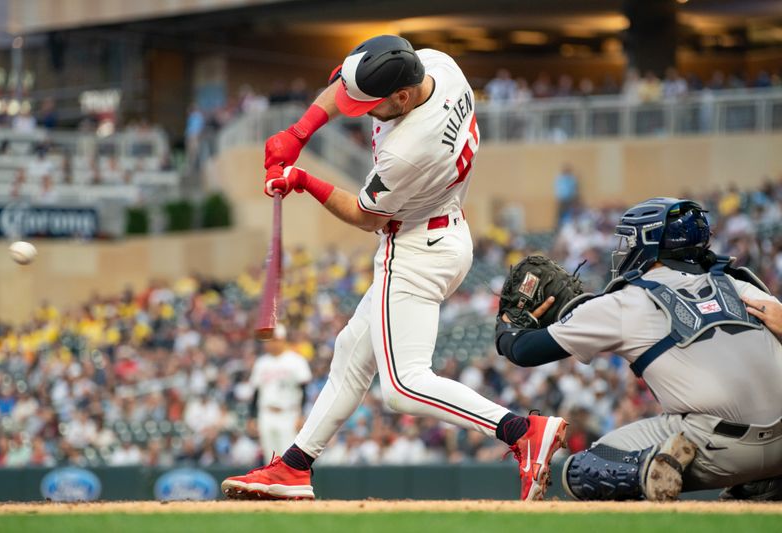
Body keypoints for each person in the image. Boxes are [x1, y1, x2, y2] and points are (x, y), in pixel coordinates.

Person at [221, 34, 568, 502]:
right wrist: (298, 132)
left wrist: (301, 179)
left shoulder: (409, 149)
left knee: (403, 386)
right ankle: (295, 466)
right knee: (350, 353)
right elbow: (344, 83)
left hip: (414, 247)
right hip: (445, 231)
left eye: (372, 105)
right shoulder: (437, 65)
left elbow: (368, 217)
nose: (360, 112)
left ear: (401, 97)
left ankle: (521, 431)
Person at [495, 197, 782, 501]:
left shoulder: (628, 301)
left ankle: (648, 467)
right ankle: (759, 487)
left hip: (717, 446)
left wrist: (508, 322)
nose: (623, 249)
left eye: (628, 240)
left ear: (649, 244)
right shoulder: (744, 285)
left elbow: (523, 351)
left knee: (587, 468)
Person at [246, 325, 312, 463]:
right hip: (266, 413)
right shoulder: (262, 362)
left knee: (288, 457)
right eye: (270, 340)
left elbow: (304, 389)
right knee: (269, 459)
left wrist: (302, 415)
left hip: (288, 413)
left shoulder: (296, 360)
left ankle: (288, 484)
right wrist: (252, 416)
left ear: (283, 340)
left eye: (275, 339)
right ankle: (273, 485)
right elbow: (257, 392)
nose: (272, 343)